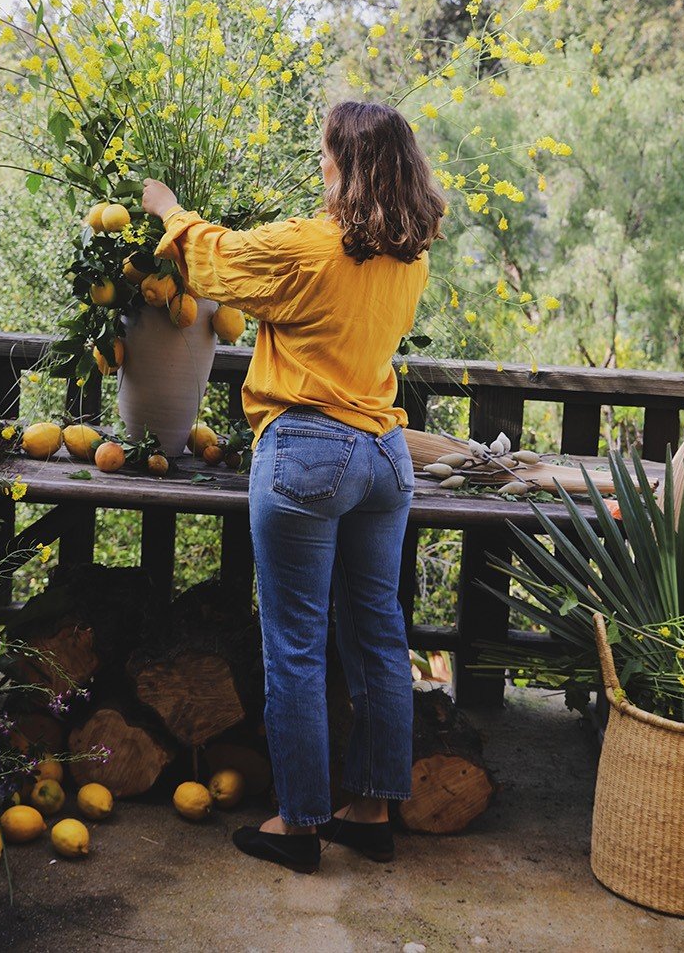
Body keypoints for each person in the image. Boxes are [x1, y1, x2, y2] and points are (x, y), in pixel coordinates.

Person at [142, 99, 445, 875]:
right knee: (378, 632)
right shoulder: (410, 257)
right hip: (384, 455)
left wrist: (169, 209)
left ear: (348, 163)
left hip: (311, 449)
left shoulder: (306, 248)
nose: (319, 165)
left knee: (296, 643)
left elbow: (210, 261)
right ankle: (372, 809)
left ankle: (300, 823)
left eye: (326, 154)